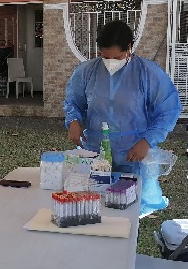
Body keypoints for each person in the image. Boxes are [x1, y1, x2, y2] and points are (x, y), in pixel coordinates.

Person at [64, 20, 182, 206]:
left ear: (129, 47)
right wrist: (73, 121)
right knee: (95, 203)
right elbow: (73, 101)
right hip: (96, 150)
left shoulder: (148, 73)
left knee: (128, 207)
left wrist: (147, 140)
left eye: (117, 57)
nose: (111, 63)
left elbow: (169, 109)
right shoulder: (87, 71)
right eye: (105, 57)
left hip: (133, 152)